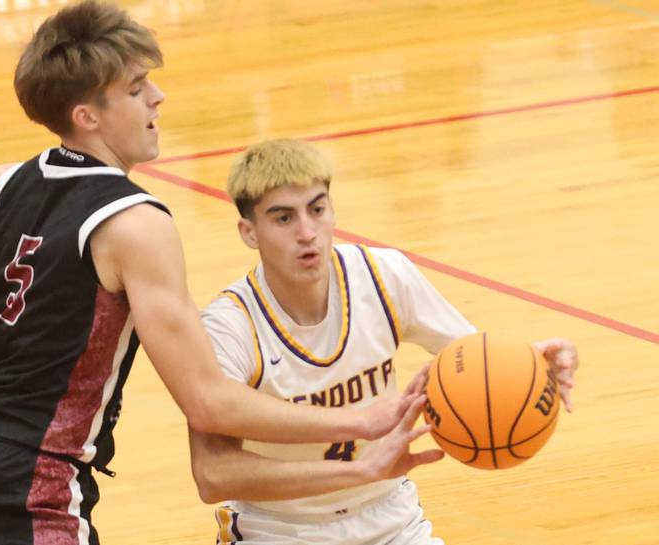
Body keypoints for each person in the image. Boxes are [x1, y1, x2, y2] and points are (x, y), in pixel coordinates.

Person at [0, 4, 423, 545]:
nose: (157, 95)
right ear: (87, 117)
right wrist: (360, 422)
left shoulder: (0, 185)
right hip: (35, 485)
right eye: (135, 88)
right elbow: (209, 403)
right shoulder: (135, 223)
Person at [189, 138, 580, 545]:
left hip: (390, 517)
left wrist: (534, 364)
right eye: (284, 218)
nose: (307, 233)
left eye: (317, 210)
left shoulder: (382, 275)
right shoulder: (229, 327)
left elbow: (474, 363)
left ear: (332, 210)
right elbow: (213, 475)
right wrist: (359, 469)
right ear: (249, 233)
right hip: (280, 529)